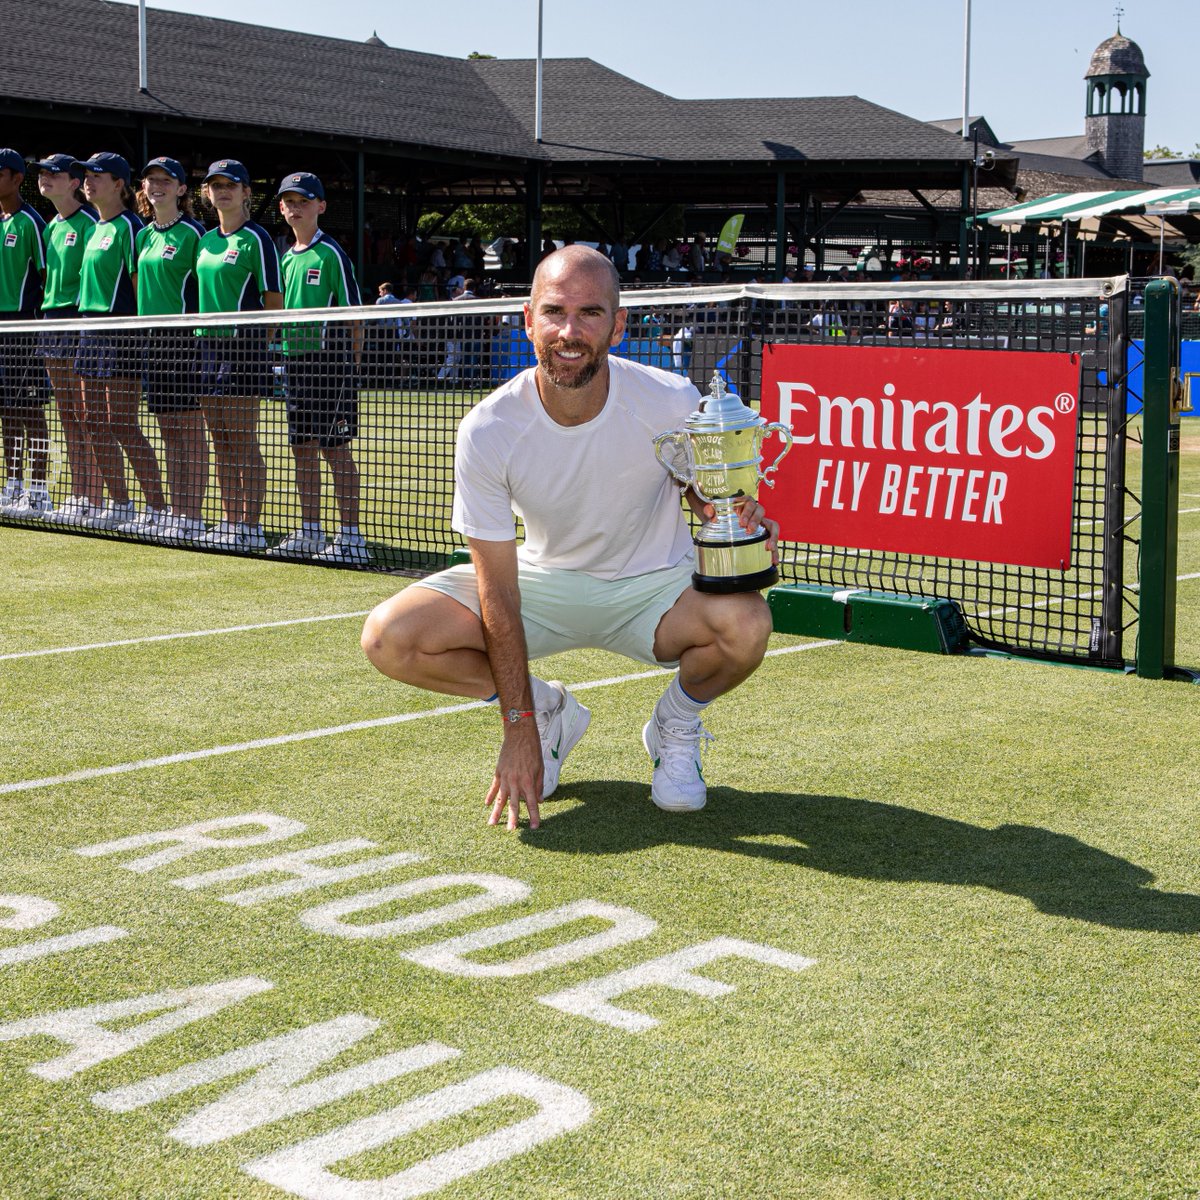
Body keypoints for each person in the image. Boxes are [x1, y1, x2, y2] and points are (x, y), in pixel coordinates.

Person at [361, 246, 777, 830]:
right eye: (554, 312)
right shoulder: (488, 428)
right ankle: (552, 709)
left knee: (748, 624)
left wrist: (737, 523)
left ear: (619, 323)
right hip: (540, 587)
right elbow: (497, 591)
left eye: (590, 312)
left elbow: (703, 496)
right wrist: (520, 722)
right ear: (528, 319)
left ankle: (675, 723)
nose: (570, 331)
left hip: (654, 593)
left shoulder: (673, 399)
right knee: (391, 637)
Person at [269, 171, 369, 565]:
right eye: (289, 201)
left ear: (321, 206)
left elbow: (354, 314)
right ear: (281, 207)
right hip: (294, 364)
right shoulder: (284, 257)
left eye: (304, 201)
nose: (296, 208)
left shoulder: (332, 253)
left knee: (335, 450)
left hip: (330, 365)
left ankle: (351, 537)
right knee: (301, 448)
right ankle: (311, 531)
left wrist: (352, 365)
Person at [75, 151, 167, 533]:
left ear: (118, 185)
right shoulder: (92, 227)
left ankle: (158, 508)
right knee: (92, 421)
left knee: (122, 423)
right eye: (86, 175)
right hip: (87, 331)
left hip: (120, 334)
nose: (89, 182)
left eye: (98, 176)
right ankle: (120, 504)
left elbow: (136, 285)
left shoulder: (131, 227)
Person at [194, 158, 282, 550]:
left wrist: (257, 342)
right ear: (207, 192)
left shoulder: (257, 239)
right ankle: (231, 521)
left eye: (231, 184)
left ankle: (251, 525)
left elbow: (273, 300)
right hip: (207, 348)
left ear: (247, 192)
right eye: (216, 185)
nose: (223, 191)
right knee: (220, 440)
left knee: (242, 439)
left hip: (243, 348)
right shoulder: (205, 239)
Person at [133, 155, 209, 543]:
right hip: (152, 342)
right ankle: (177, 513)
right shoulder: (143, 235)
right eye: (151, 179)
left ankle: (192, 516)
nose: (157, 185)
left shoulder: (194, 234)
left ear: (181, 189)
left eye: (166, 179)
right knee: (169, 432)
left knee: (189, 432)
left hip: (184, 343)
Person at [29, 154, 102, 526]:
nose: (45, 178)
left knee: (86, 415)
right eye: (42, 173)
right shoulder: (50, 226)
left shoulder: (91, 222)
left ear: (74, 182)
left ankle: (94, 497)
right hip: (50, 320)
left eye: (53, 174)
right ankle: (78, 495)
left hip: (78, 319)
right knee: (66, 414)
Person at [0, 149, 50, 518]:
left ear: (17, 179)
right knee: (6, 411)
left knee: (30, 409)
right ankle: (12, 484)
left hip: (25, 327)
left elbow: (47, 276)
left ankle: (38, 490)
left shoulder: (31, 222)